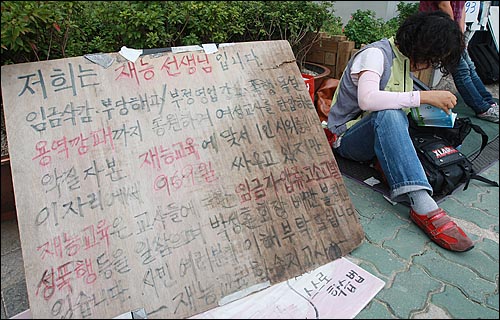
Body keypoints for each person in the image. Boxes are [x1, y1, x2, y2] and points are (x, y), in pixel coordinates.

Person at [327, 11, 474, 252]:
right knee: (389, 113)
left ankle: (406, 173)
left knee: (409, 116)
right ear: (420, 45)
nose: (429, 65)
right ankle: (423, 204)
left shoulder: (403, 60)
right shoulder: (375, 55)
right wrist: (423, 97)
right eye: (431, 58)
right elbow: (368, 100)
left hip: (373, 136)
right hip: (346, 139)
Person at [419, 1, 499, 123]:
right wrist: (454, 34)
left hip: (451, 30)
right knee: (461, 70)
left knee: (469, 67)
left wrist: (460, 34)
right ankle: (482, 109)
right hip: (438, 31)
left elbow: (461, 9)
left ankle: (489, 103)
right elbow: (443, 4)